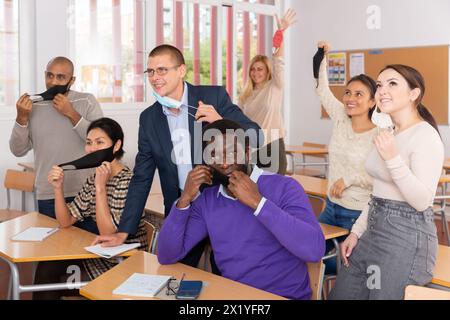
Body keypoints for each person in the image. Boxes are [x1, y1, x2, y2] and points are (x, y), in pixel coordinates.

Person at [91, 45, 261, 274]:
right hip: (182, 206)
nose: (155, 78)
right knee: (174, 273)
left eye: (162, 70)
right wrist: (124, 231)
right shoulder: (150, 118)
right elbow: (142, 177)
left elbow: (255, 134)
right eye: (150, 72)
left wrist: (220, 120)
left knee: (225, 273)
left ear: (181, 70)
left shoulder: (213, 97)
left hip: (222, 204)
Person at [157, 119, 325, 300]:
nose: (223, 163)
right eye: (213, 154)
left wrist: (257, 202)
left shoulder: (285, 187)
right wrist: (185, 199)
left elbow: (314, 250)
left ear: (246, 153)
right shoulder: (208, 200)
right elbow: (167, 255)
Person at [330, 65, 444, 300]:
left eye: (392, 83)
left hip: (405, 237)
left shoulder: (425, 135)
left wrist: (393, 159)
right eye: (380, 84)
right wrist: (356, 232)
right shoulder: (389, 132)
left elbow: (422, 201)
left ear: (414, 93)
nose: (382, 90)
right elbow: (378, 194)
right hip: (372, 229)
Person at [33, 117, 148, 300]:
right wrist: (57, 187)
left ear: (116, 146)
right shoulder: (94, 177)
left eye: (99, 142)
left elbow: (109, 234)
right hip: (97, 255)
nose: (92, 148)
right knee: (48, 267)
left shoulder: (128, 182)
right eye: (89, 143)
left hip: (120, 263)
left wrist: (100, 188)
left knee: (48, 278)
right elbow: (66, 221)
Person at [9, 56, 103, 233]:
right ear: (45, 75)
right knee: (52, 253)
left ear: (72, 80)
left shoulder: (87, 101)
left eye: (61, 77)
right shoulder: (33, 107)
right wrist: (21, 117)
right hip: (48, 194)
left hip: (86, 193)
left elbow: (101, 143)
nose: (53, 82)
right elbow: (17, 150)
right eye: (50, 76)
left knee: (88, 253)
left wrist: (71, 113)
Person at [314, 42, 377, 274]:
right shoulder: (341, 118)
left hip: (357, 212)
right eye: (348, 93)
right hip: (331, 206)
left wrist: (349, 179)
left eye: (359, 94)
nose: (350, 98)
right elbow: (322, 89)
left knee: (348, 270)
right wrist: (323, 56)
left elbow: (382, 178)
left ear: (373, 102)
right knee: (313, 258)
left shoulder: (380, 135)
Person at [238, 9, 296, 175]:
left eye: (260, 69)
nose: (256, 73)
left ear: (267, 71)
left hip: (273, 146)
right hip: (252, 149)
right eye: (253, 69)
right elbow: (239, 121)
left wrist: (281, 33)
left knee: (274, 192)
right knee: (254, 193)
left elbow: (279, 61)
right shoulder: (245, 95)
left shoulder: (274, 86)